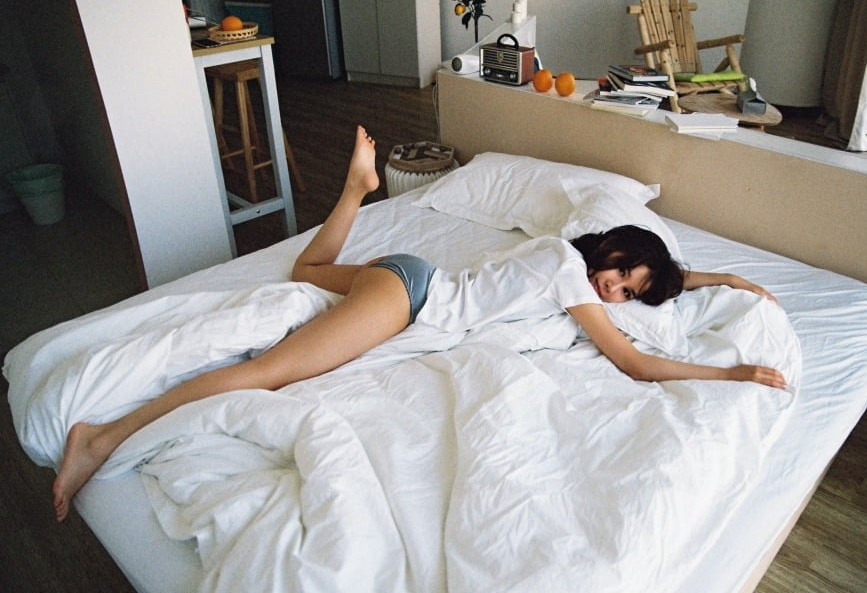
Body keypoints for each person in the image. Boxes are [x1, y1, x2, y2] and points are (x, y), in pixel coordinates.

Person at [52, 125, 785, 522]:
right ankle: (102, 438)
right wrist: (731, 371)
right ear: (610, 248)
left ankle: (358, 189)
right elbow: (631, 362)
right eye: (621, 272)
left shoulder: (568, 261)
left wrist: (715, 278)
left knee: (307, 272)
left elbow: (657, 288)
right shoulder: (568, 266)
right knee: (266, 374)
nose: (613, 290)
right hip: (407, 298)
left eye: (627, 293)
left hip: (407, 276)